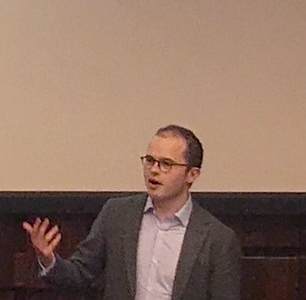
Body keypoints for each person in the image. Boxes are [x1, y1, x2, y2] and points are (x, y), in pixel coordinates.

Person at [22, 125, 240, 300]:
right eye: (150, 160)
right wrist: (48, 259)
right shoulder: (117, 215)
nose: (154, 170)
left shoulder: (217, 239)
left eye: (166, 164)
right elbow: (79, 274)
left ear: (192, 175)